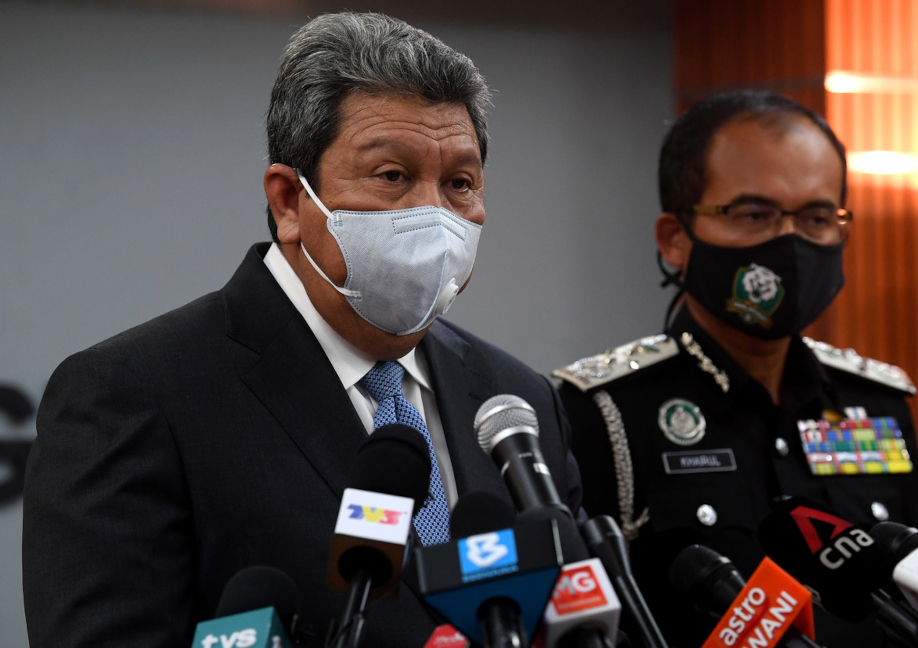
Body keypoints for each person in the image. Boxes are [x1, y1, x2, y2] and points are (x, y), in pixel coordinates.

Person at [22, 13, 582, 647]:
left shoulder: (518, 401)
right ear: (290, 201)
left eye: (459, 183)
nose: (434, 213)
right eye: (392, 176)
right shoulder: (131, 395)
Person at [554, 90, 918, 647]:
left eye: (818, 217)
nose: (790, 241)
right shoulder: (601, 411)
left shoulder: (876, 402)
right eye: (755, 214)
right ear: (675, 239)